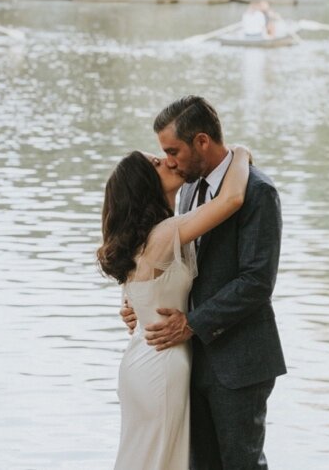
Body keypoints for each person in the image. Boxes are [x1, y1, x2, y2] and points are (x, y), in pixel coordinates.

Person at [118, 96, 286, 470]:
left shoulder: (258, 191)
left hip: (238, 361)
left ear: (202, 142)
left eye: (173, 151)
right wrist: (141, 307)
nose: (171, 161)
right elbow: (175, 266)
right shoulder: (189, 190)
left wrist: (191, 323)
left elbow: (257, 281)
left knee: (241, 464)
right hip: (187, 360)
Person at [100, 139, 254, 470]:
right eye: (157, 163)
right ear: (145, 186)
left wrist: (133, 307)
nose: (169, 162)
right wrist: (240, 152)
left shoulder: (153, 235)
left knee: (146, 458)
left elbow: (138, 289)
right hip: (160, 364)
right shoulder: (164, 233)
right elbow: (232, 198)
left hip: (146, 357)